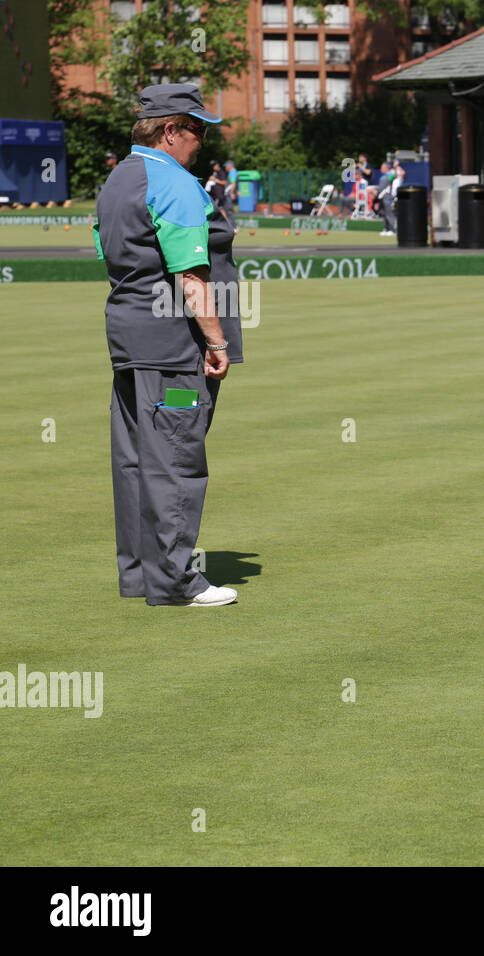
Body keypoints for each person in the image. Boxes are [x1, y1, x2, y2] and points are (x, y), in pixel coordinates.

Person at [93, 83, 243, 607]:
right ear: (170, 130)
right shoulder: (172, 181)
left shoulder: (117, 179)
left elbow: (109, 256)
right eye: (197, 129)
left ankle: (141, 576)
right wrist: (217, 338)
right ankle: (178, 580)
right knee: (176, 457)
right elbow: (192, 275)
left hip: (129, 338)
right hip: (173, 345)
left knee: (136, 459)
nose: (202, 140)